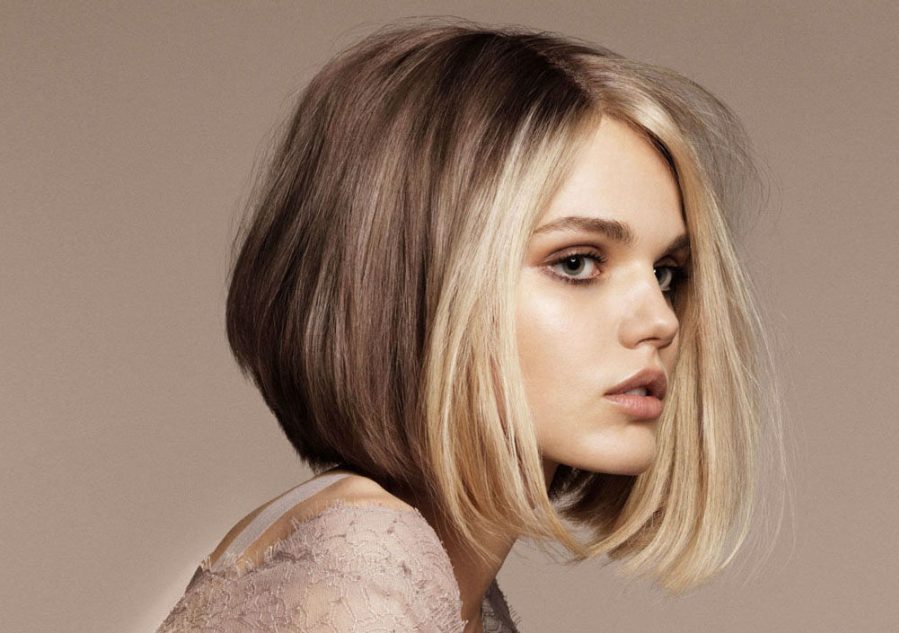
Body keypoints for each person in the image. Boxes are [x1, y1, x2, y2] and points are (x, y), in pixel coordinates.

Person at [155, 16, 784, 633]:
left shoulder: (419, 576)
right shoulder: (362, 579)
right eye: (576, 262)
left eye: (667, 273)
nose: (660, 320)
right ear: (415, 285)